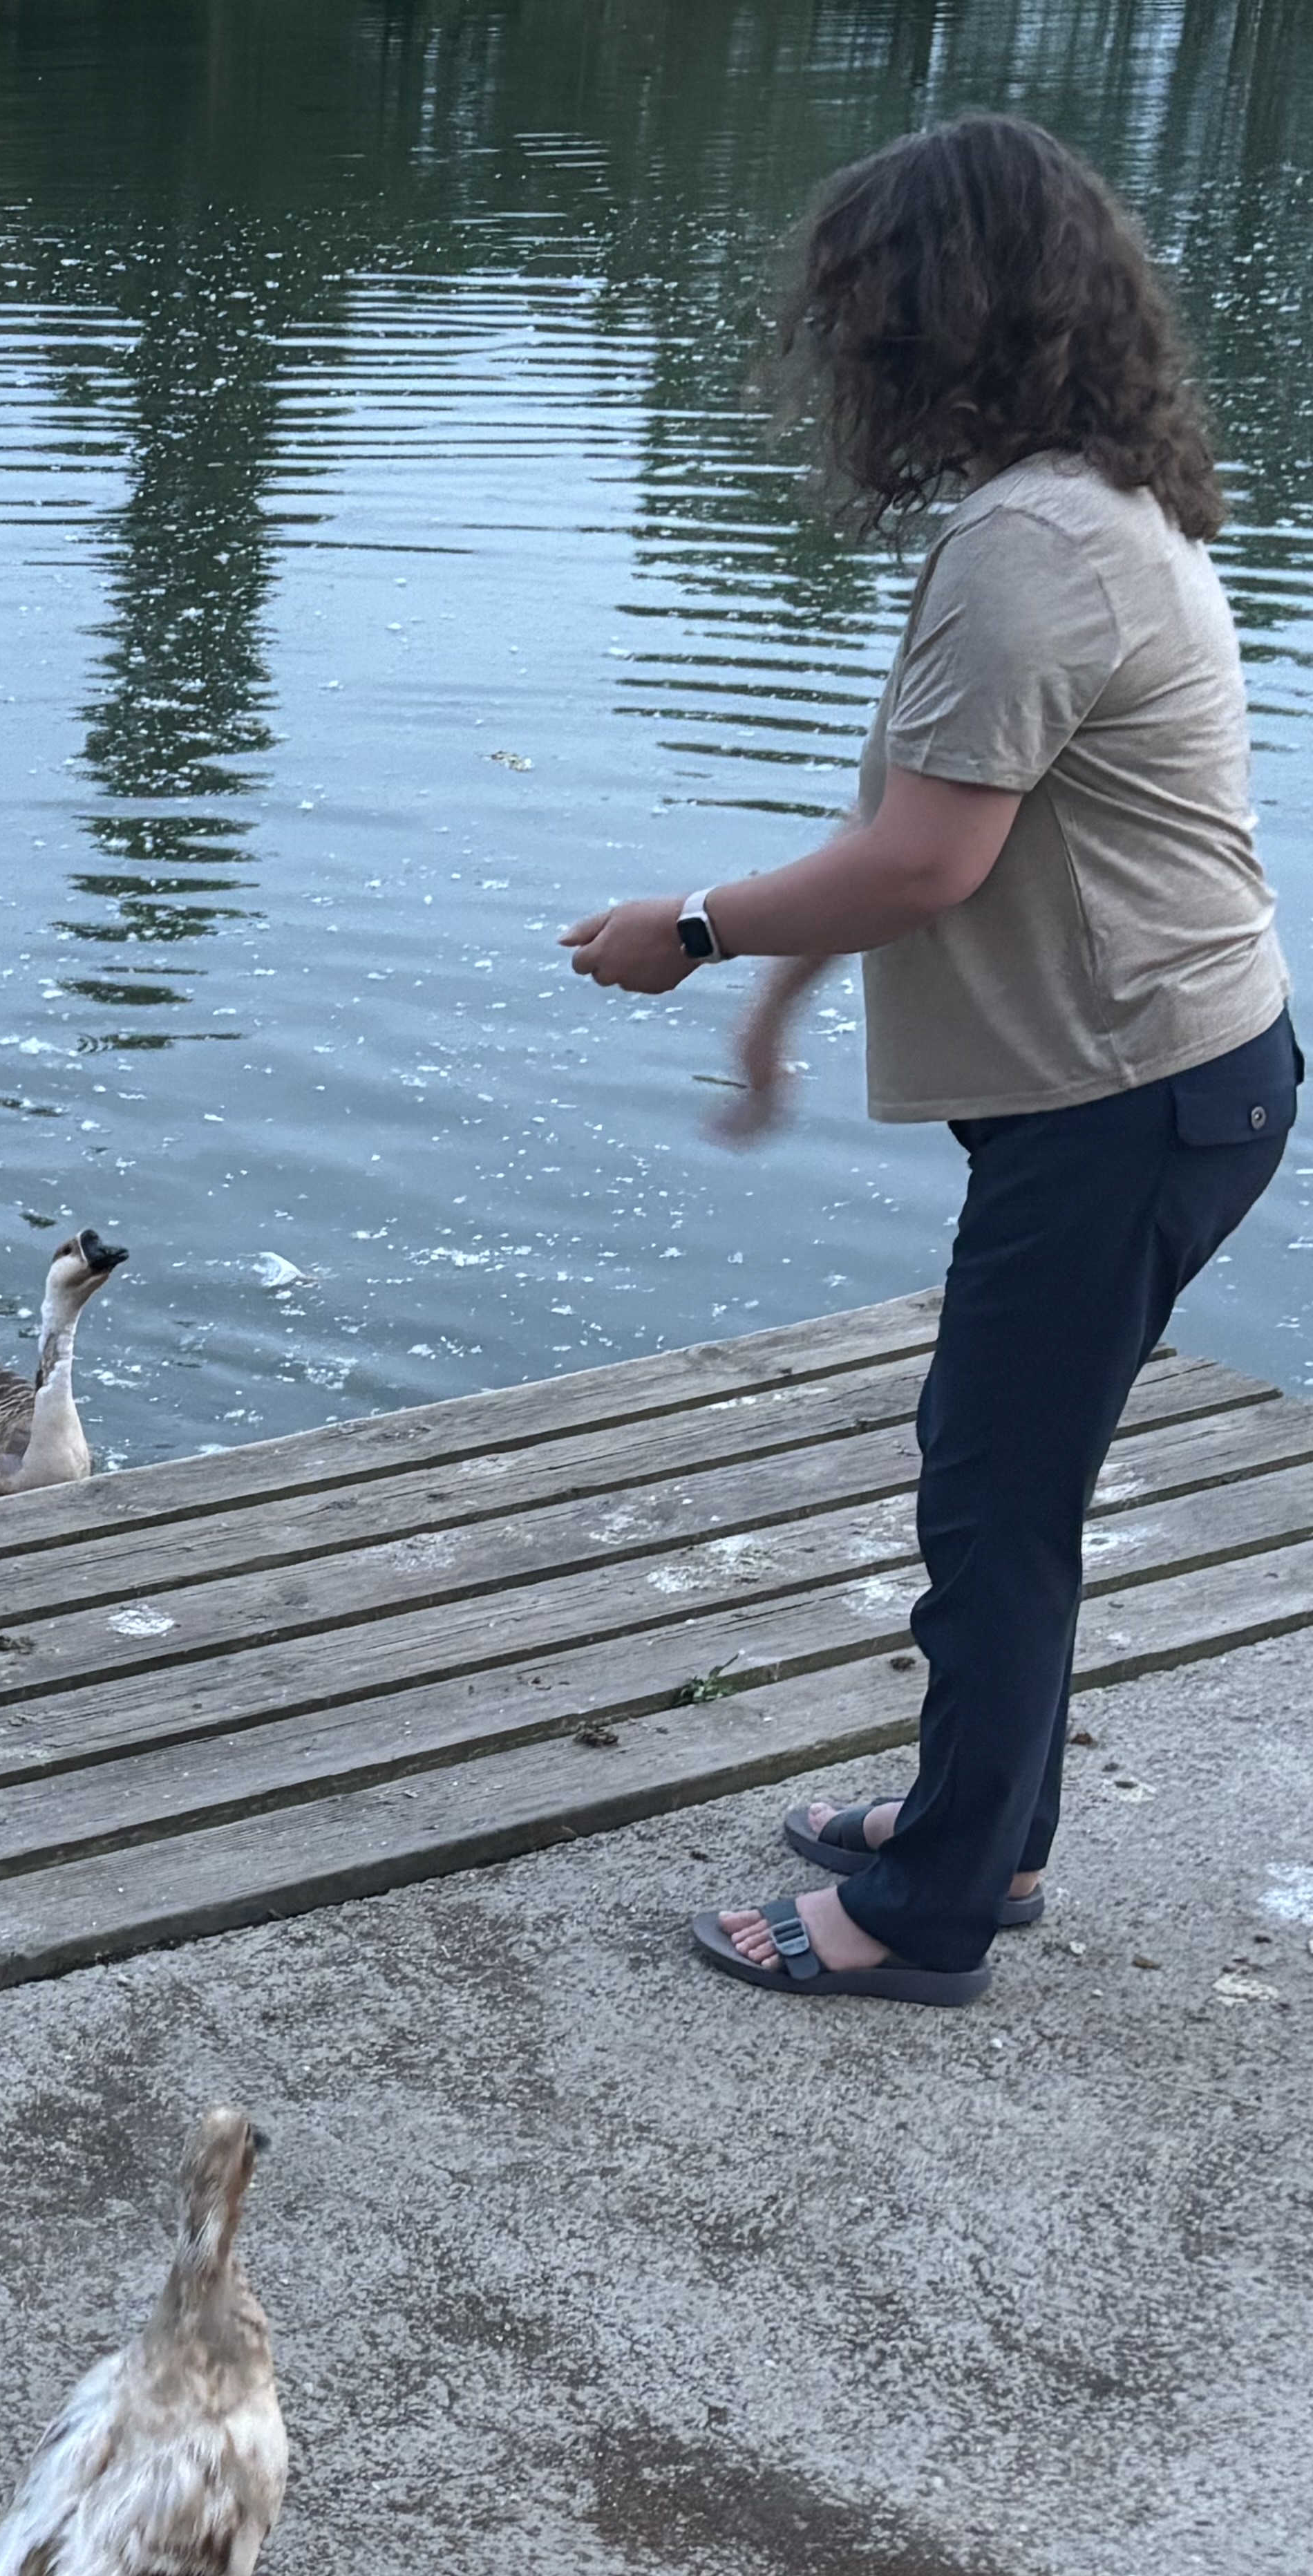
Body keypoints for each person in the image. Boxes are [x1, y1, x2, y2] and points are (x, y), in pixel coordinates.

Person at [562, 114, 1296, 2008]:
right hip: (1165, 1081)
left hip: (1131, 1098)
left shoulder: (1030, 543)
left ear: (942, 318)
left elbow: (924, 864)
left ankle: (933, 1908)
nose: (847, 349)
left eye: (867, 311)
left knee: (989, 1500)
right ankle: (994, 1825)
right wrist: (776, 1000)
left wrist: (695, 929)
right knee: (1008, 1479)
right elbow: (918, 814)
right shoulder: (1086, 504)